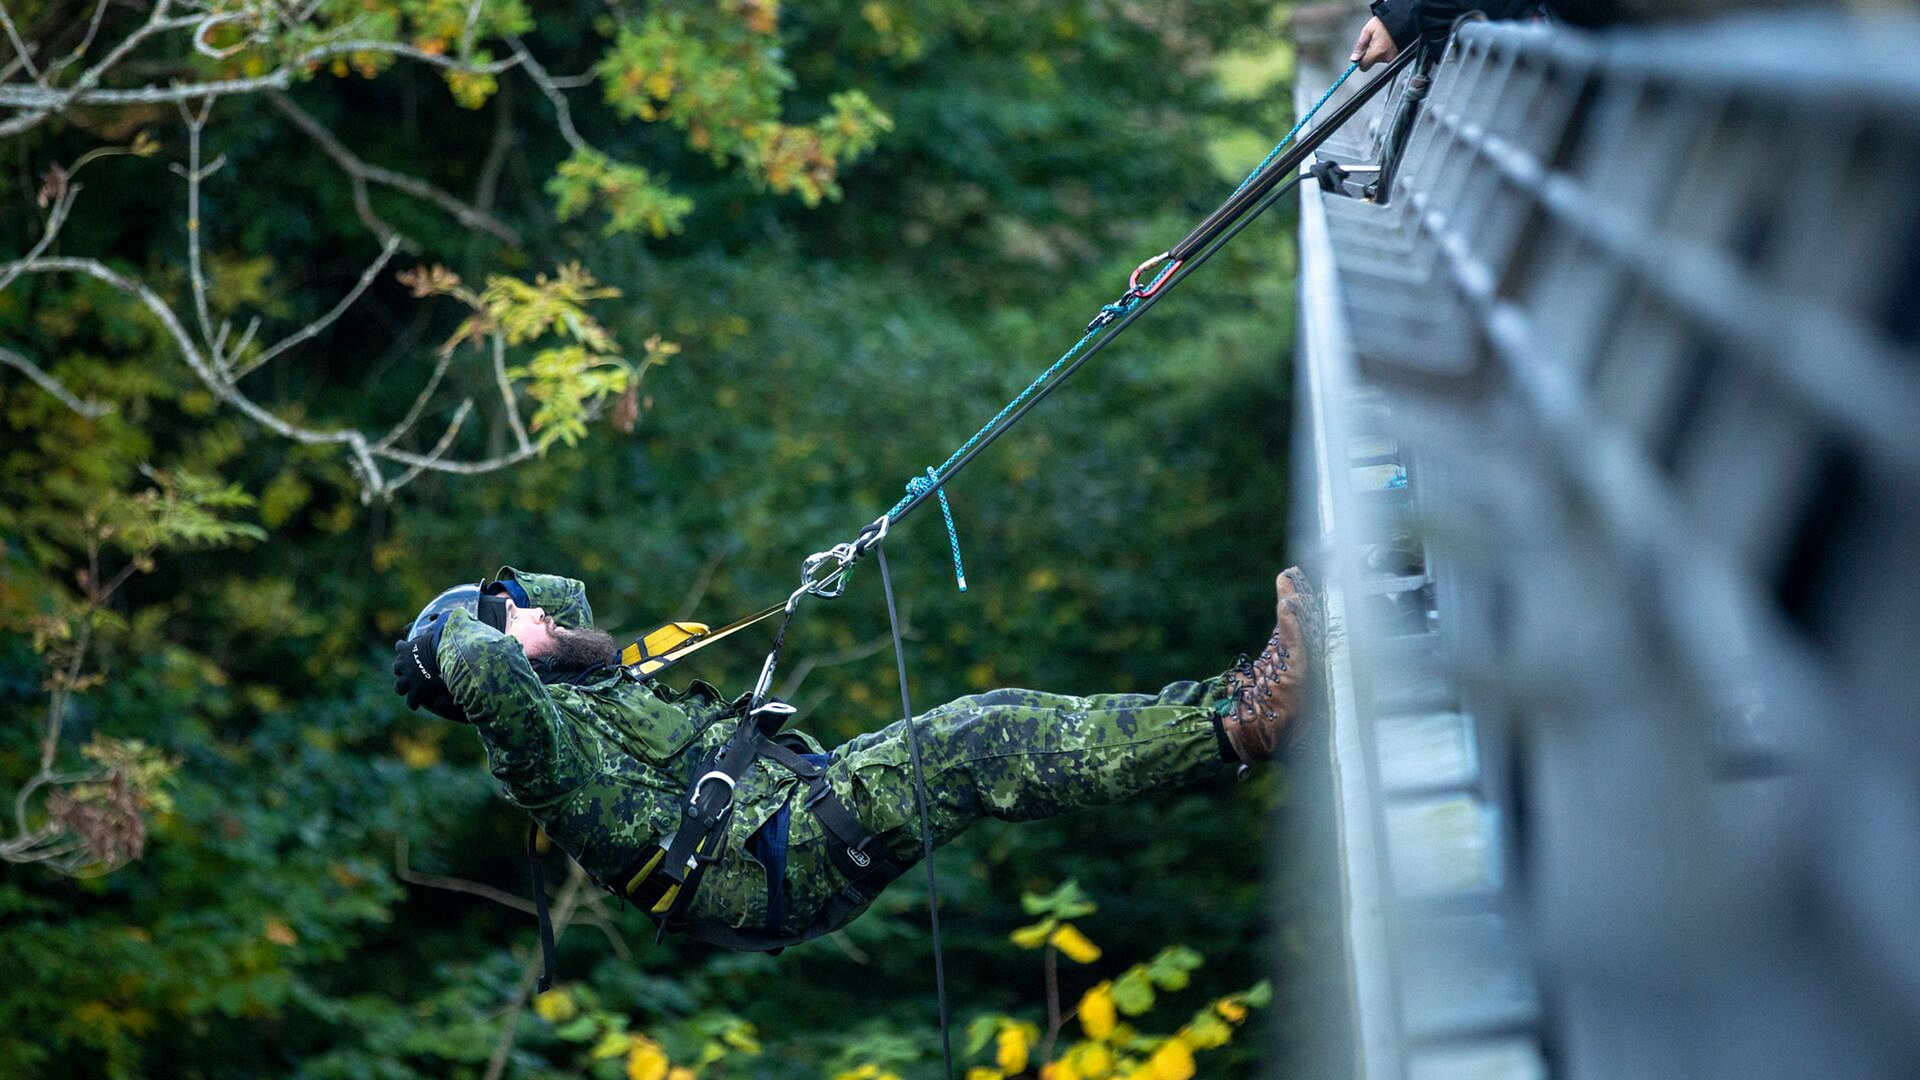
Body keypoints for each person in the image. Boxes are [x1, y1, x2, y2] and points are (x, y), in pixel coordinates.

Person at [391, 565, 1320, 950]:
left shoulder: (585, 688)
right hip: (773, 861)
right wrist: (471, 631)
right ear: (490, 658)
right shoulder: (531, 750)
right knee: (975, 741)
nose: (534, 610)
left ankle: (1234, 708)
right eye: (510, 615)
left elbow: (571, 604)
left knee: (998, 720)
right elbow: (488, 669)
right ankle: (1245, 723)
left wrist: (510, 600)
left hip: (791, 825)